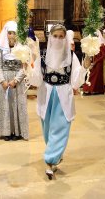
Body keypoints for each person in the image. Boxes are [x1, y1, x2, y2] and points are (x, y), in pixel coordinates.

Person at [29, 24, 91, 179]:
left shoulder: (71, 56)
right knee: (48, 131)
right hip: (46, 96)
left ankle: (50, 162)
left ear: (65, 38)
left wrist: (85, 66)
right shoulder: (42, 55)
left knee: (60, 129)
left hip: (63, 95)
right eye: (55, 36)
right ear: (50, 37)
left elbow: (76, 81)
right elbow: (36, 79)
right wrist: (26, 67)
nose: (58, 39)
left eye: (61, 36)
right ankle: (56, 153)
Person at [0, 21, 28, 141]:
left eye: (14, 33)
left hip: (16, 81)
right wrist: (2, 80)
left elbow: (24, 66)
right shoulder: (1, 48)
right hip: (4, 79)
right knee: (5, 105)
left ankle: (17, 132)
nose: (12, 36)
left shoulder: (22, 48)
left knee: (16, 104)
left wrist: (16, 80)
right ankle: (6, 131)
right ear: (6, 34)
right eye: (9, 33)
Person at [82, 30, 105, 95]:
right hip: (94, 62)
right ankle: (93, 89)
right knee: (92, 76)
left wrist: (96, 61)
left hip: (98, 63)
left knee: (95, 76)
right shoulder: (94, 44)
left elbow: (103, 55)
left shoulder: (102, 45)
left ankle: (91, 90)